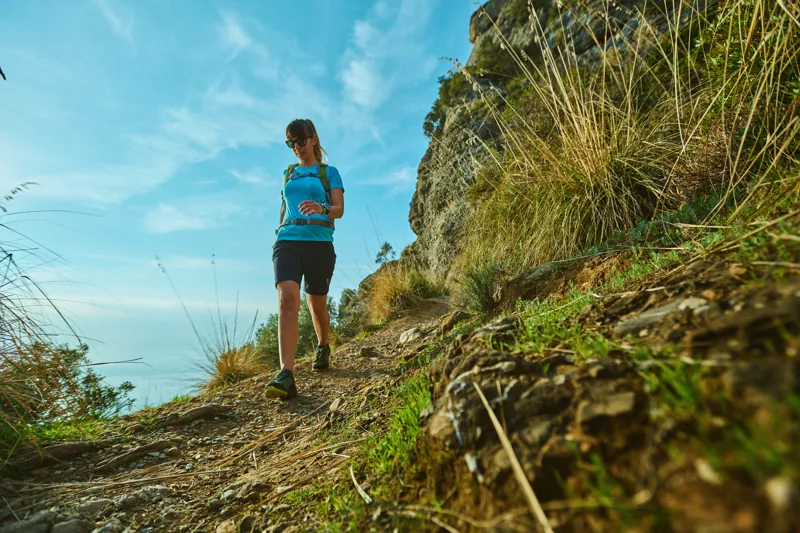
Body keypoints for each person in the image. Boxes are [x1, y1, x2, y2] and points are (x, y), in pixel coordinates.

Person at [264, 118, 344, 400]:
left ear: (313, 139)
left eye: (300, 140)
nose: (296, 147)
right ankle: (286, 373)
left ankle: (323, 345)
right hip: (287, 240)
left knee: (317, 302)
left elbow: (338, 210)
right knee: (288, 298)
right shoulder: (289, 173)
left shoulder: (329, 172)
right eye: (291, 143)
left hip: (320, 244)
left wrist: (321, 207)